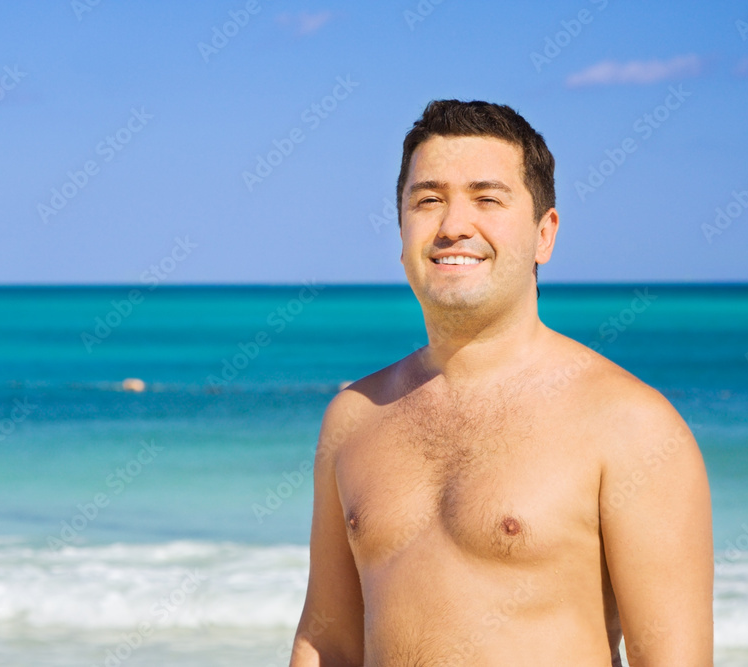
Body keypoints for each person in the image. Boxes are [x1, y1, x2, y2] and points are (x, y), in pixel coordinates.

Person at [289, 99, 713, 666]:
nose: (453, 226)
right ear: (401, 230)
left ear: (545, 234)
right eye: (428, 200)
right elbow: (328, 643)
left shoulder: (629, 425)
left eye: (487, 199)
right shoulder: (354, 417)